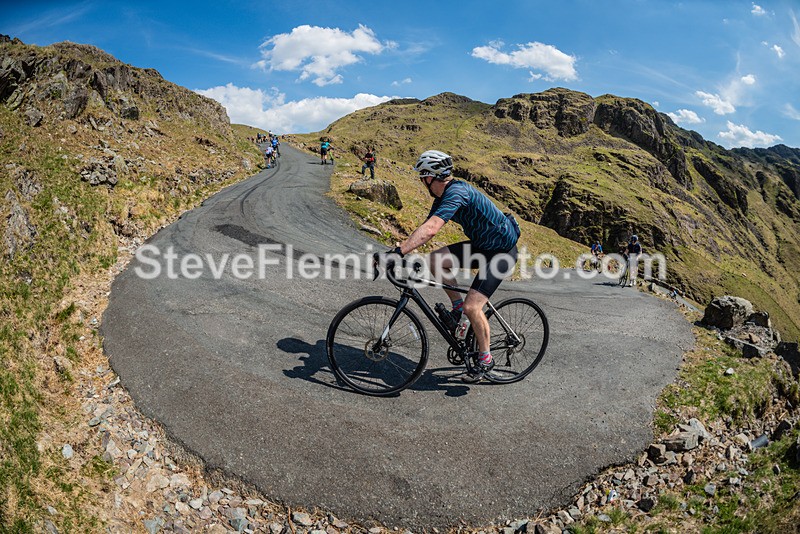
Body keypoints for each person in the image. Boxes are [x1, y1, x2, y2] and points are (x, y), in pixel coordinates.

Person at [373, 150, 521, 383]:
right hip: (483, 246)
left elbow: (432, 229)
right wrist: (397, 250)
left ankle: (485, 359)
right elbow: (424, 228)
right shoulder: (442, 198)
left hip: (502, 252)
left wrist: (399, 254)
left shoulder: (457, 192)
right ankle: (457, 309)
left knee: (473, 307)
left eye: (422, 177)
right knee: (436, 259)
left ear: (430, 177)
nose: (422, 182)